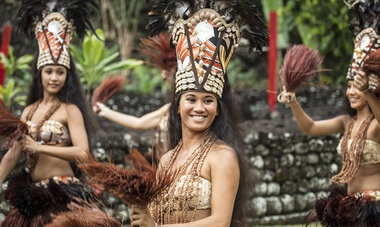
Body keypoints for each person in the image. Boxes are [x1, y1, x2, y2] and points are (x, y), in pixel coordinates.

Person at [129, 1, 268, 226]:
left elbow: (220, 222)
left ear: (218, 110)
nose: (199, 108)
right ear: (177, 106)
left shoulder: (222, 156)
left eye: (208, 101)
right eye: (191, 99)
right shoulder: (166, 160)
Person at [0, 1, 118, 226]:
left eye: (60, 72)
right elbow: (13, 153)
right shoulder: (28, 110)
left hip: (63, 195)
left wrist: (38, 147)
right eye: (49, 71)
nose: (54, 77)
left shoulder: (70, 110)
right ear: (40, 74)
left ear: (67, 76)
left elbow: (83, 153)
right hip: (32, 199)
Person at [278, 1, 380, 225]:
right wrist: (294, 102)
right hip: (350, 206)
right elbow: (310, 128)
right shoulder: (347, 122)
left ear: (373, 87)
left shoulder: (376, 124)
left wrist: (368, 94)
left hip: (375, 209)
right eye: (349, 85)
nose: (352, 91)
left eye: (358, 86)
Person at [93, 32, 176, 157]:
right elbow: (139, 123)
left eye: (168, 70)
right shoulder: (170, 108)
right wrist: (105, 111)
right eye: (163, 71)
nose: (163, 76)